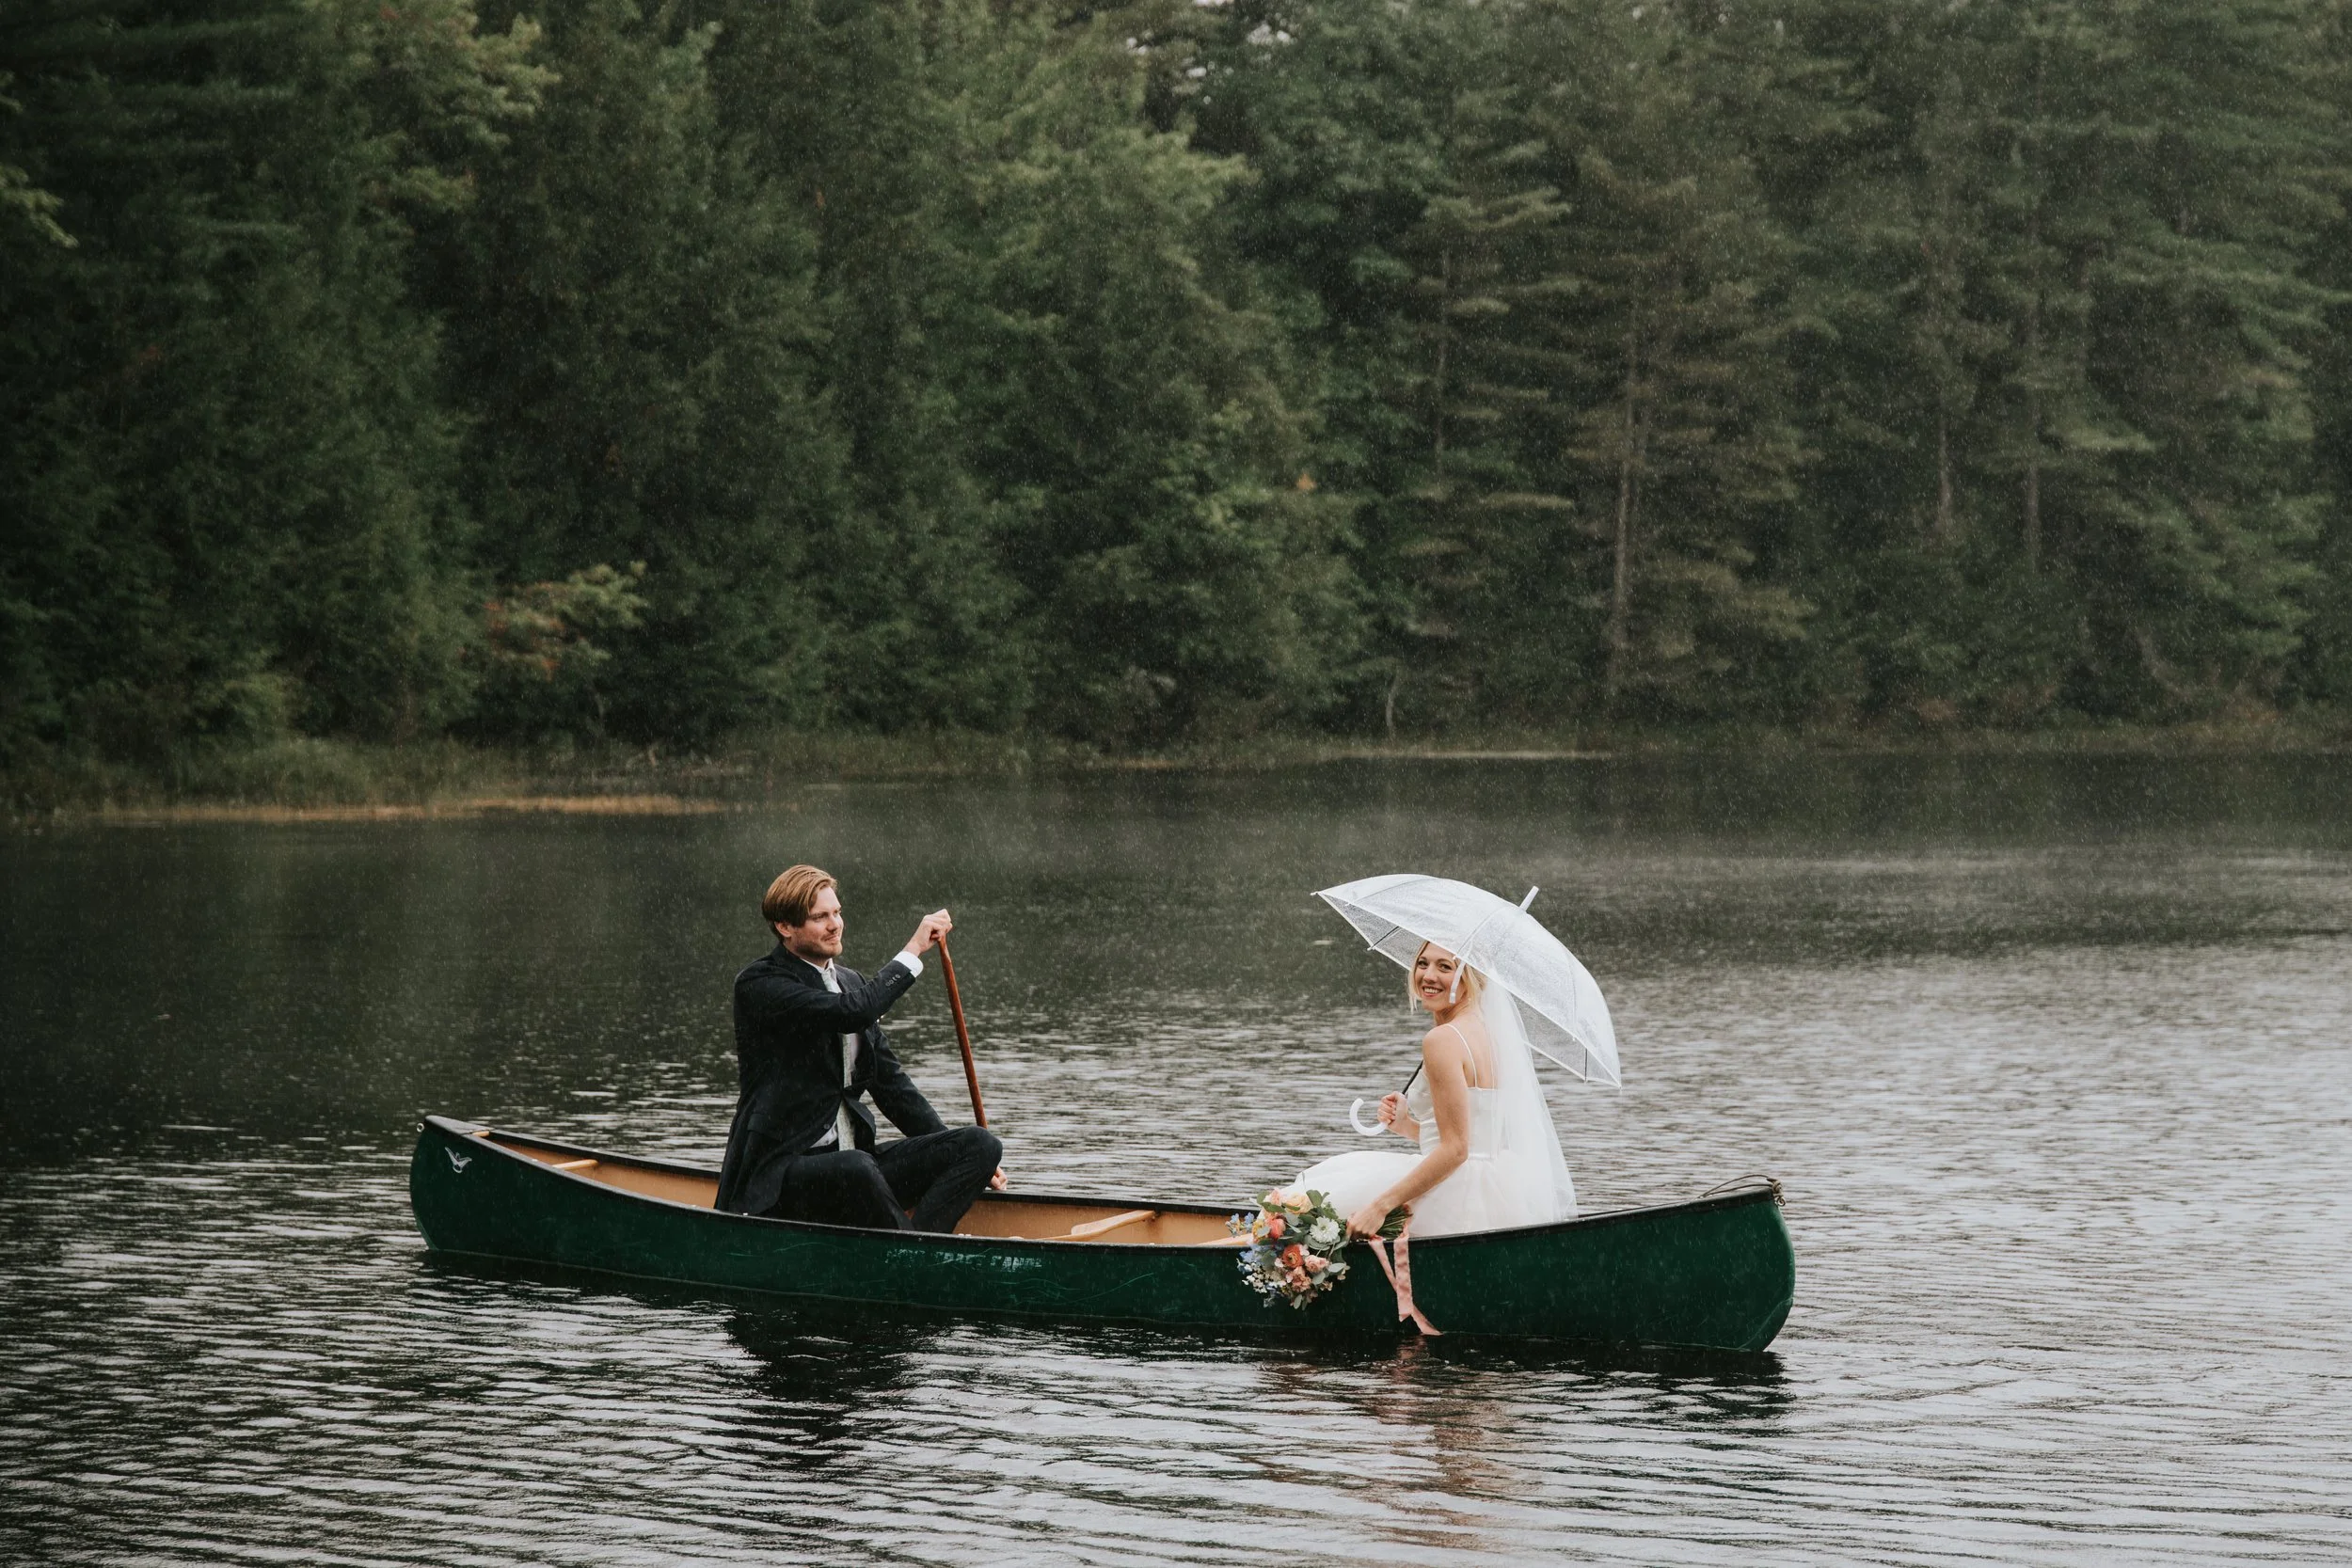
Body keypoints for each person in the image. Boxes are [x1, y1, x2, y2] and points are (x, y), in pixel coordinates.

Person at [714, 863, 1005, 1230]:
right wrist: (914, 949)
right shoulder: (761, 984)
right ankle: (910, 1256)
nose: (835, 924)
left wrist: (947, 1151)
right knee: (856, 1166)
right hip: (780, 1176)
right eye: (820, 917)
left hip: (853, 1169)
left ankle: (920, 1249)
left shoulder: (851, 982)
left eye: (837, 912)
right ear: (785, 928)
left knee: (980, 1145)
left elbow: (892, 1086)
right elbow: (854, 1012)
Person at [1295, 941, 1578, 1239]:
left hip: (1453, 1192)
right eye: (1422, 963)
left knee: (1304, 1208)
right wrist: (1407, 1126)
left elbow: (1456, 1150)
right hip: (1498, 1187)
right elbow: (1476, 1137)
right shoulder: (1495, 1036)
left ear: (1472, 977)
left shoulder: (1442, 1040)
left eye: (1445, 967)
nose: (1428, 976)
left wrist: (1380, 1207)